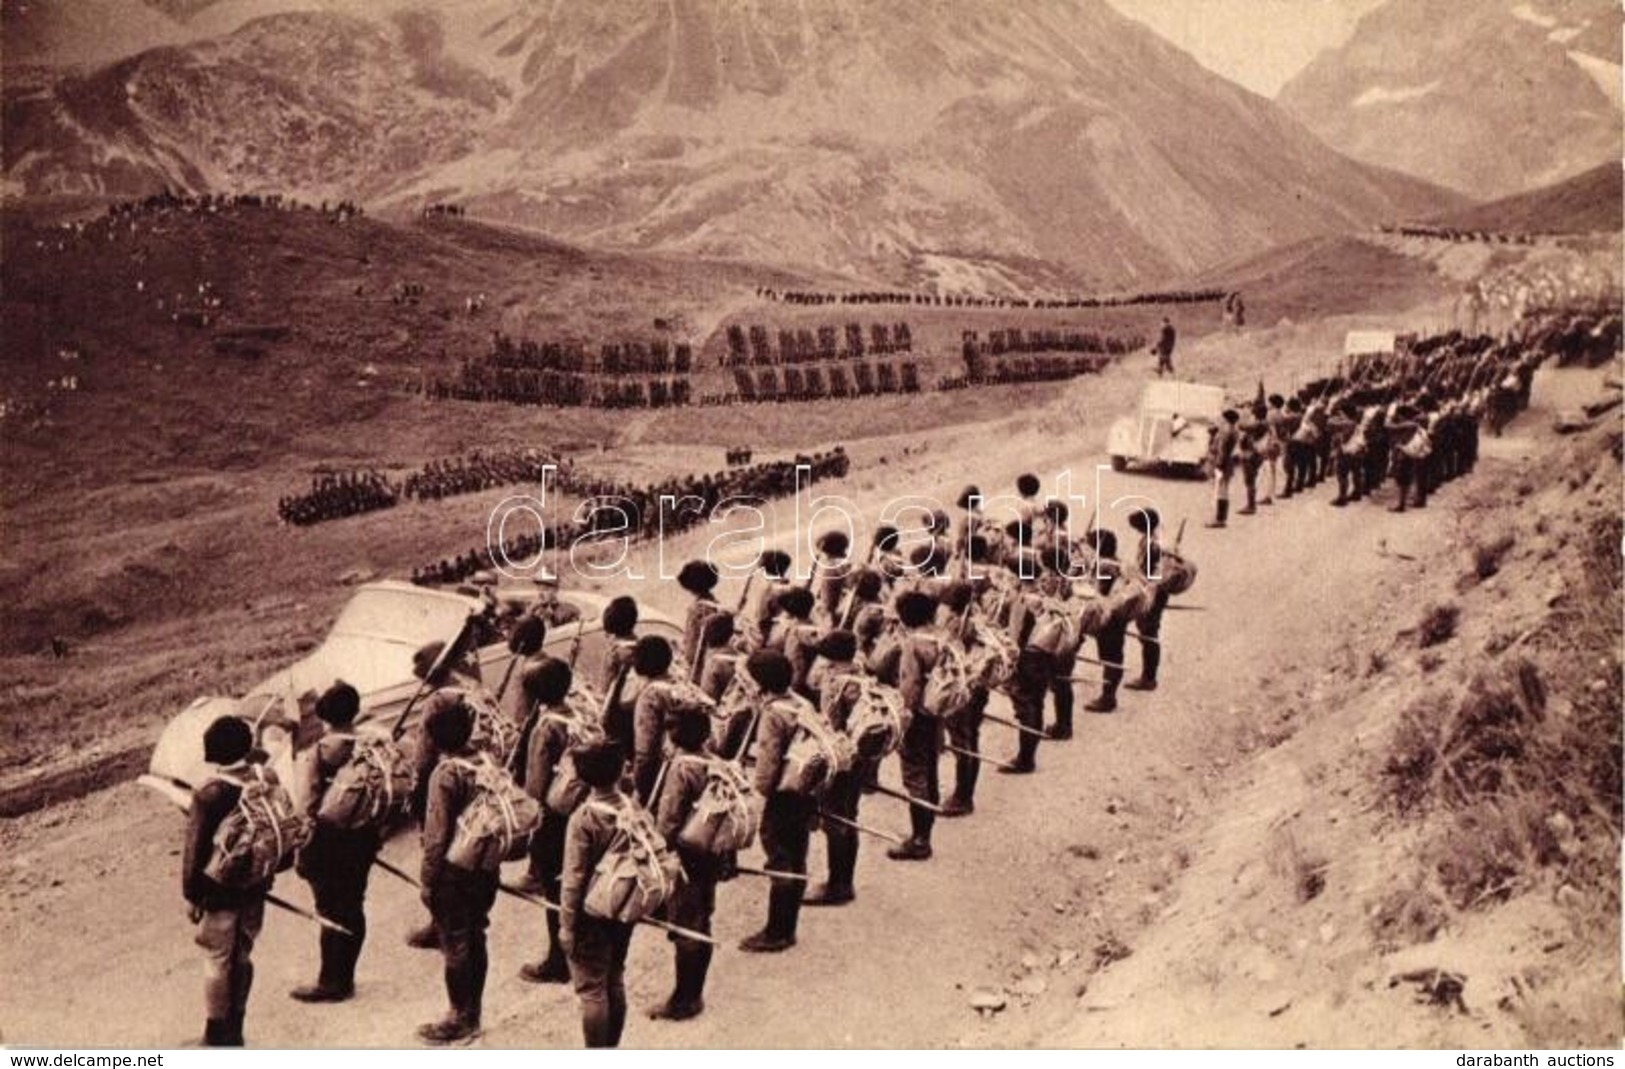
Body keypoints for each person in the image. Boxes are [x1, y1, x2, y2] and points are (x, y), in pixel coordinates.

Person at [183, 717, 273, 1047]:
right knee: (243, 954)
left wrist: (192, 895)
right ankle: (237, 1023)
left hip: (218, 890)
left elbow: (194, 852)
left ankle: (216, 1032)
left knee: (216, 959)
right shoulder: (265, 778)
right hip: (255, 883)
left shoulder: (210, 793)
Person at [291, 683, 379, 1004]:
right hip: (363, 836)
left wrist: (301, 852)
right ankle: (346, 975)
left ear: (323, 716)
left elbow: (306, 808)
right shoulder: (370, 744)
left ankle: (332, 981)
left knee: (329, 910)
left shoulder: (319, 753)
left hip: (328, 841)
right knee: (354, 904)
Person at [417, 699, 498, 1044]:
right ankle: (473, 1010)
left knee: (455, 942)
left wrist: (427, 879)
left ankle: (459, 1016)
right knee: (475, 935)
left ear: (433, 740)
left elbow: (436, 836)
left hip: (454, 870)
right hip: (484, 865)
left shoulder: (445, 773)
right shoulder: (484, 762)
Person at [649, 708, 727, 1020]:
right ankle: (692, 992)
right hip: (709, 851)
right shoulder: (716, 762)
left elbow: (668, 820)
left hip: (685, 856)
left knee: (687, 926)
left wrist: (657, 852)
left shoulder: (681, 768)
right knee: (700, 919)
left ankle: (686, 998)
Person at [561, 739, 638, 1047]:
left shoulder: (583, 818)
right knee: (614, 977)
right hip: (622, 905)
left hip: (590, 914)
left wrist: (566, 926)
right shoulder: (631, 806)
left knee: (592, 989)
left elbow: (573, 878)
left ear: (580, 777)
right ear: (620, 771)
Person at [739, 650, 817, 951]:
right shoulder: (801, 703)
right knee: (797, 856)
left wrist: (758, 796)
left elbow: (768, 763)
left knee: (779, 858)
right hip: (804, 790)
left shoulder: (773, 714)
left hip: (782, 796)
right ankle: (788, 926)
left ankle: (777, 932)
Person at [514, 658, 580, 983]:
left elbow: (536, 784)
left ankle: (558, 959)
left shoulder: (545, 726)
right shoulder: (579, 716)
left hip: (554, 818)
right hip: (580, 811)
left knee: (555, 889)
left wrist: (528, 821)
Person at [867, 589, 945, 859]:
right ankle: (926, 831)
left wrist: (902, 719)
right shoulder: (940, 637)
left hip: (918, 716)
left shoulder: (911, 645)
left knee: (915, 775)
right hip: (936, 710)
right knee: (930, 770)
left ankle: (920, 839)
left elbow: (909, 686)